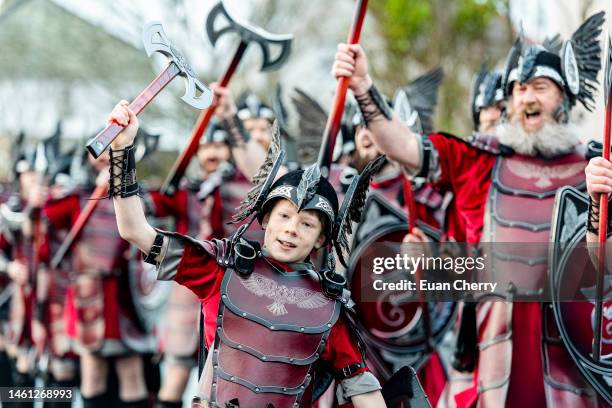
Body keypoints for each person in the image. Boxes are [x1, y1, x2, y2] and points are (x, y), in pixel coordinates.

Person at [333, 11, 605, 407]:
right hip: (492, 366)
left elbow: (600, 271)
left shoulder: (596, 168)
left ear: (565, 96)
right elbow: (404, 147)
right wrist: (363, 87)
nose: (527, 97)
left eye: (541, 87)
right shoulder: (478, 159)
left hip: (575, 372)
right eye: (519, 88)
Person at [105, 99, 388, 407]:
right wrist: (122, 150)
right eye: (284, 216)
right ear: (265, 219)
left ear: (321, 240)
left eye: (307, 224)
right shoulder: (218, 268)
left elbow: (364, 391)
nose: (292, 229)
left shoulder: (329, 308)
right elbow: (135, 230)